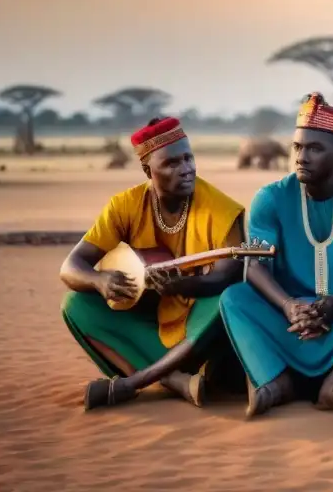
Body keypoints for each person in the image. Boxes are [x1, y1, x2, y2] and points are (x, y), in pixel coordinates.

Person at [218, 93, 333, 420]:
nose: (302, 156)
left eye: (314, 149)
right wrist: (288, 305)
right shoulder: (269, 198)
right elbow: (255, 265)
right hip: (288, 318)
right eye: (297, 147)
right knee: (234, 297)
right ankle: (274, 382)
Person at [59, 117, 245, 410]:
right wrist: (99, 280)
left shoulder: (221, 209)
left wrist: (184, 285)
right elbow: (71, 266)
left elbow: (227, 275)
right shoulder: (125, 206)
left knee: (228, 299)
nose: (186, 169)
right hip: (154, 324)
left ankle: (137, 381)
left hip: (199, 330)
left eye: (189, 158)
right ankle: (172, 379)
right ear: (148, 170)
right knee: (76, 304)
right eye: (172, 163)